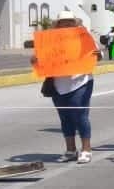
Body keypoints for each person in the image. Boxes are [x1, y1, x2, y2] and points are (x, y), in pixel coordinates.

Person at [33, 11, 101, 164]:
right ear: (58, 24)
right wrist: (35, 60)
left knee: (80, 115)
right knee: (65, 117)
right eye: (63, 22)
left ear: (74, 23)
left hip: (80, 81)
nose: (66, 24)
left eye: (69, 21)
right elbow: (40, 59)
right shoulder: (50, 39)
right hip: (59, 84)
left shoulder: (83, 36)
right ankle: (70, 150)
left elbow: (97, 54)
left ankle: (86, 149)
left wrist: (98, 53)